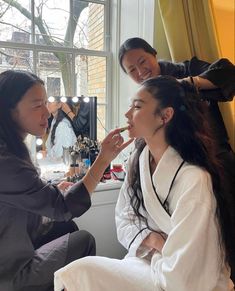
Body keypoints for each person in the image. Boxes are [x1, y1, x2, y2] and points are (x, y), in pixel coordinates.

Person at [54, 76, 234, 291]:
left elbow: (186, 275)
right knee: (76, 274)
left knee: (80, 272)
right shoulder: (138, 160)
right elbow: (124, 216)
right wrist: (155, 241)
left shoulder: (194, 179)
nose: (127, 113)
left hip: (180, 277)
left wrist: (159, 253)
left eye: (137, 106)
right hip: (146, 259)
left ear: (165, 115)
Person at [0, 70, 132, 291]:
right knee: (84, 240)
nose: (47, 113)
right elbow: (64, 207)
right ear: (9, 110)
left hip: (15, 243)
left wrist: (50, 188)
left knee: (66, 226)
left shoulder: (11, 152)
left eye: (45, 103)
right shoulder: (7, 163)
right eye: (36, 105)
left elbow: (20, 193)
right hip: (9, 273)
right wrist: (103, 159)